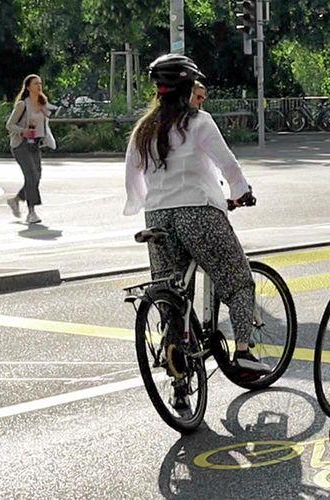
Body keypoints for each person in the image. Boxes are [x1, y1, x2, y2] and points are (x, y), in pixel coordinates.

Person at [121, 55, 267, 406]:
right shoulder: (198, 122)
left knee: (172, 300)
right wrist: (240, 192)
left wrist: (146, 203)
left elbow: (132, 177)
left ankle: (180, 389)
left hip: (156, 216)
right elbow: (227, 162)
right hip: (198, 211)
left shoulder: (144, 128)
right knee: (237, 279)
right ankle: (245, 352)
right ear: (188, 88)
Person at [5, 74, 55, 224]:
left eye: (40, 83)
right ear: (28, 87)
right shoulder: (22, 105)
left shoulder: (42, 103)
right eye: (35, 84)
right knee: (31, 176)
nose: (39, 86)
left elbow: (46, 122)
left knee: (37, 176)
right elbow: (9, 125)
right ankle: (31, 212)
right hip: (21, 144)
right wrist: (22, 131)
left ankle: (16, 200)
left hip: (35, 143)